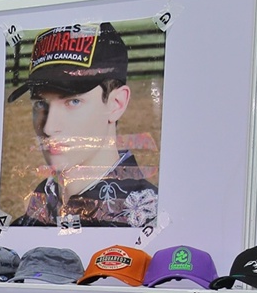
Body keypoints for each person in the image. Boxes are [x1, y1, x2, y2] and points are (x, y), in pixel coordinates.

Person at [8, 23, 158, 229]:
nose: (49, 127)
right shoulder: (26, 223)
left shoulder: (151, 225)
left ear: (116, 104)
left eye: (73, 101)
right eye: (41, 104)